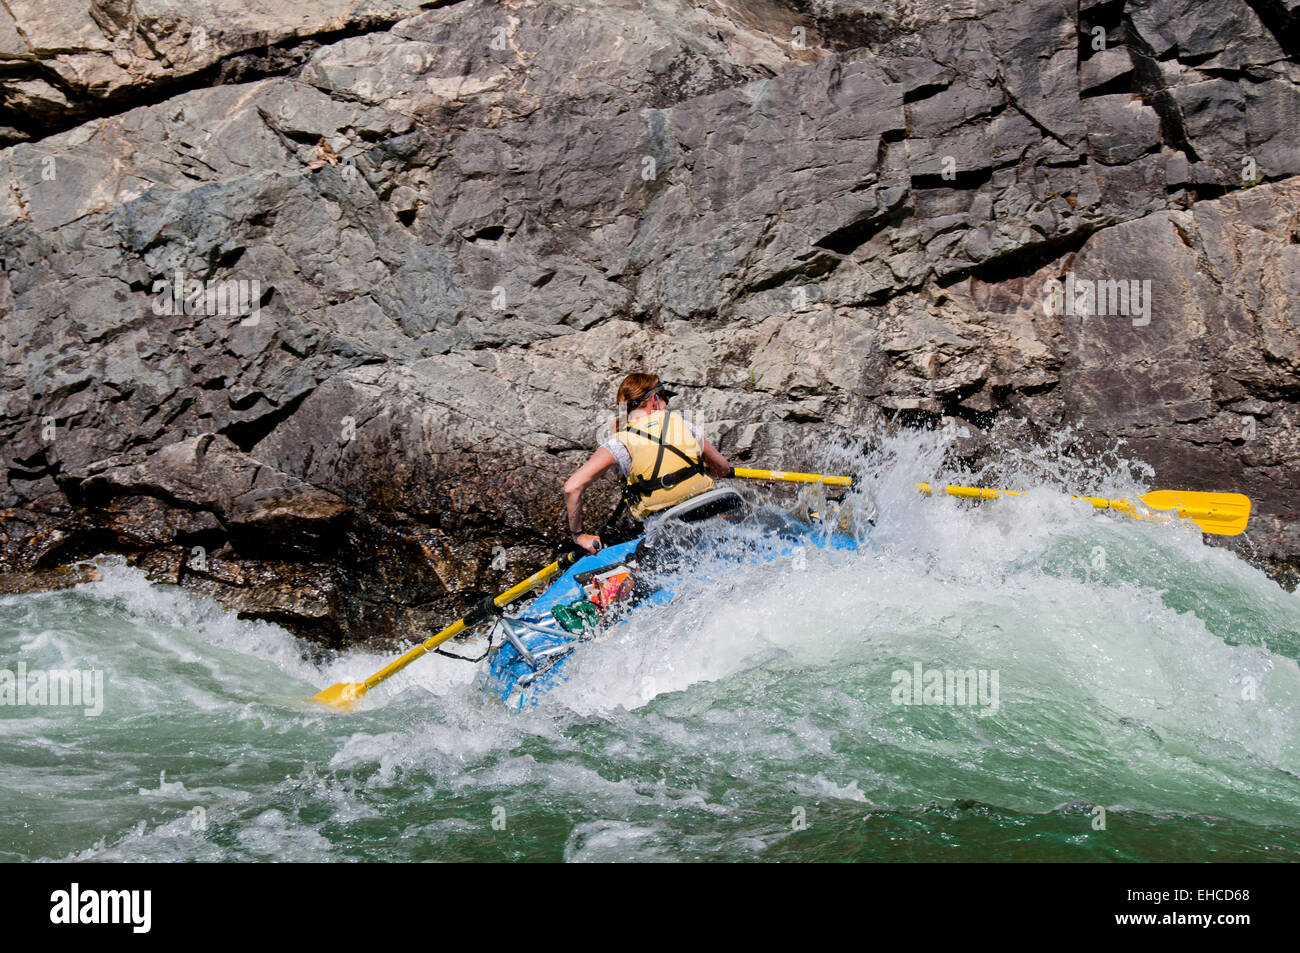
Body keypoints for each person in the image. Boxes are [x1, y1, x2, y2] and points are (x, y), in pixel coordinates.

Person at [564, 373, 732, 554]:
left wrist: (579, 535)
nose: (667, 405)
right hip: (714, 517)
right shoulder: (683, 425)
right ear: (655, 399)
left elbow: (571, 488)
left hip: (666, 538)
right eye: (666, 398)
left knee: (631, 571)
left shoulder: (619, 444)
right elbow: (723, 469)